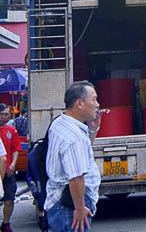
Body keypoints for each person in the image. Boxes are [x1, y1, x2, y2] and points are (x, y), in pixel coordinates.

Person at [44, 82, 101, 232]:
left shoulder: (60, 123)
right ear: (80, 104)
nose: (98, 104)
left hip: (60, 201)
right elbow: (76, 177)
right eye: (94, 99)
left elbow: (80, 155)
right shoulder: (74, 138)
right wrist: (80, 209)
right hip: (68, 205)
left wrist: (93, 129)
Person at [0, 104, 18, 232]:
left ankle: (6, 223)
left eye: (7, 114)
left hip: (8, 172)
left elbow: (16, 149)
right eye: (2, 114)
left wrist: (13, 164)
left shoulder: (11, 130)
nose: (5, 117)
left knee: (9, 199)